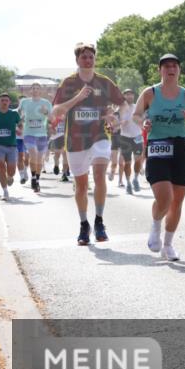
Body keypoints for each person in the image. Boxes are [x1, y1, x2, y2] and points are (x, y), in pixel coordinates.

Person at [51, 42, 127, 245]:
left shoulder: (104, 82)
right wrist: (77, 97)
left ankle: (99, 221)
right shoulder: (67, 83)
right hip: (75, 140)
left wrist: (117, 117)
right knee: (82, 186)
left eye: (91, 57)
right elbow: (56, 111)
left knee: (100, 175)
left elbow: (123, 103)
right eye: (84, 57)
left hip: (99, 136)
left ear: (95, 59)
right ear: (77, 60)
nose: (88, 60)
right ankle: (84, 224)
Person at [133, 54, 185, 261]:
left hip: (180, 147)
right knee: (164, 198)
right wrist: (143, 123)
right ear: (160, 70)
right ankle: (155, 225)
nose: (171, 69)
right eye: (166, 66)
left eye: (175, 66)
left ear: (179, 70)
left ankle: (168, 245)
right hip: (158, 145)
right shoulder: (150, 93)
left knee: (177, 202)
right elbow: (136, 115)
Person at [19, 84, 53, 193]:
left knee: (39, 158)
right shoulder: (24, 102)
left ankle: (37, 180)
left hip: (42, 134)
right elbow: (19, 113)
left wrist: (46, 112)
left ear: (40, 91)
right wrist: (21, 119)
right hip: (28, 132)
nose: (35, 90)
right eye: (33, 88)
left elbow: (51, 118)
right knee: (32, 154)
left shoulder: (46, 103)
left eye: (37, 88)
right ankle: (33, 178)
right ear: (30, 91)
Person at [0, 93, 20, 200]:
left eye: (6, 101)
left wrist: (20, 129)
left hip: (11, 146)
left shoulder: (13, 114)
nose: (4, 102)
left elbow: (20, 125)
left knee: (11, 171)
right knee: (1, 167)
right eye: (2, 100)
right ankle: (5, 192)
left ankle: (10, 177)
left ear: (9, 102)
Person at [117, 89, 145, 194]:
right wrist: (120, 122)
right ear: (124, 96)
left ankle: (135, 179)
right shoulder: (120, 108)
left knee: (138, 159)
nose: (130, 96)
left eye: (131, 94)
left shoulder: (137, 107)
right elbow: (115, 121)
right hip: (125, 137)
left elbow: (142, 118)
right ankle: (128, 183)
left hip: (137, 136)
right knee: (127, 162)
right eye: (127, 94)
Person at [48, 114, 70, 182]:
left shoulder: (69, 117)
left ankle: (64, 174)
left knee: (65, 155)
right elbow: (51, 128)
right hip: (57, 137)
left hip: (66, 137)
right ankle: (56, 165)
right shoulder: (56, 116)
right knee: (57, 155)